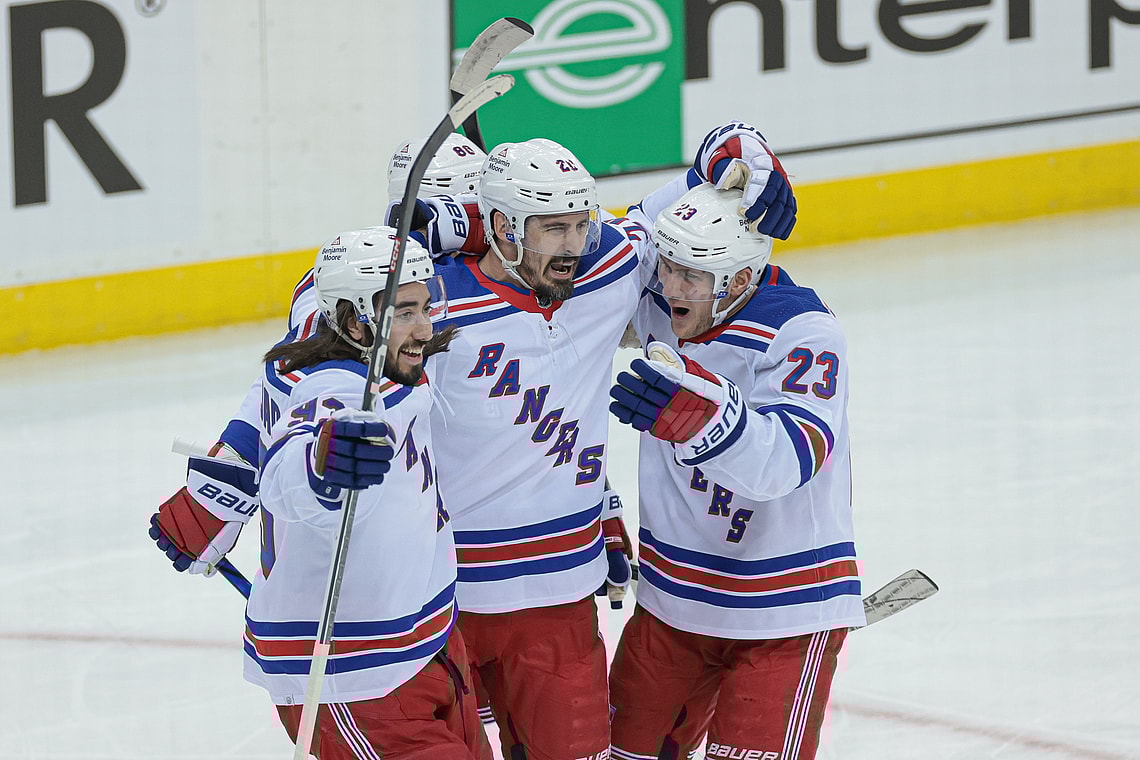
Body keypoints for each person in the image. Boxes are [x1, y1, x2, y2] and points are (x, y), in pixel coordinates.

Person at [415, 126, 797, 760]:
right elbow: (321, 335)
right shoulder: (434, 304)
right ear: (504, 227)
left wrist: (729, 147)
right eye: (552, 229)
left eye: (579, 224)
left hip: (563, 591)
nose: (573, 244)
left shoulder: (609, 267)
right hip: (444, 597)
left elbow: (688, 199)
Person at [605, 183, 862, 760]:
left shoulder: (802, 330)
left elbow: (788, 459)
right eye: (667, 266)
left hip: (784, 608)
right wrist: (709, 161)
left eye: (690, 275)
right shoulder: (665, 301)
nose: (670, 287)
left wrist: (701, 417)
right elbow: (599, 245)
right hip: (673, 603)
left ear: (740, 279)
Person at [244, 226, 491, 758]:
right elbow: (287, 471)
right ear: (355, 321)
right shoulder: (338, 392)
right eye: (404, 312)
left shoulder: (393, 365)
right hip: (354, 679)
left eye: (425, 307)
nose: (424, 328)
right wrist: (321, 469)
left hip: (423, 642)